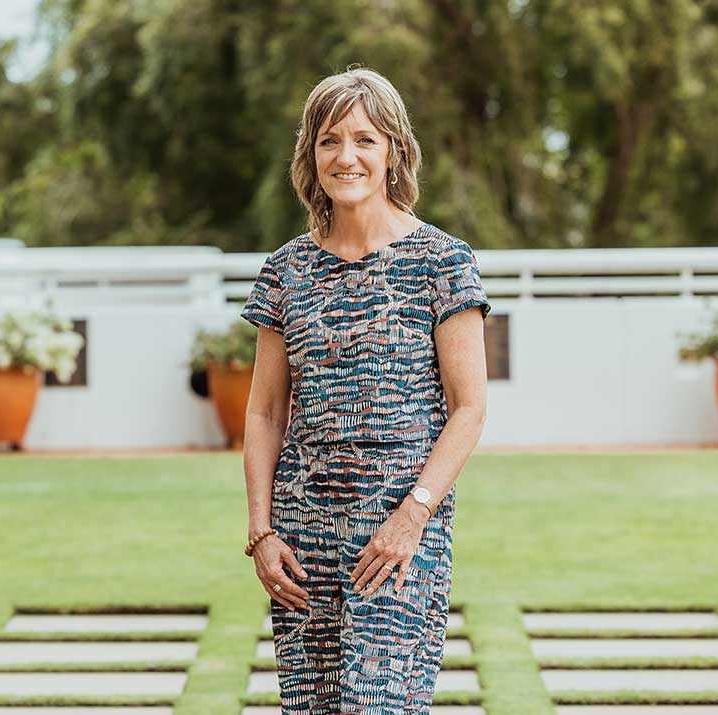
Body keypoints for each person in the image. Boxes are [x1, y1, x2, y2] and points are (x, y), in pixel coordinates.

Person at [240, 66, 491, 714]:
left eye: (364, 139)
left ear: (393, 152)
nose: (345, 156)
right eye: (329, 140)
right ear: (311, 153)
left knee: (382, 705)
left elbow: (469, 406)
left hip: (400, 533)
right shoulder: (285, 269)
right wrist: (262, 530)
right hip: (302, 537)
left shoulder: (442, 262)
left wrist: (413, 515)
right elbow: (266, 411)